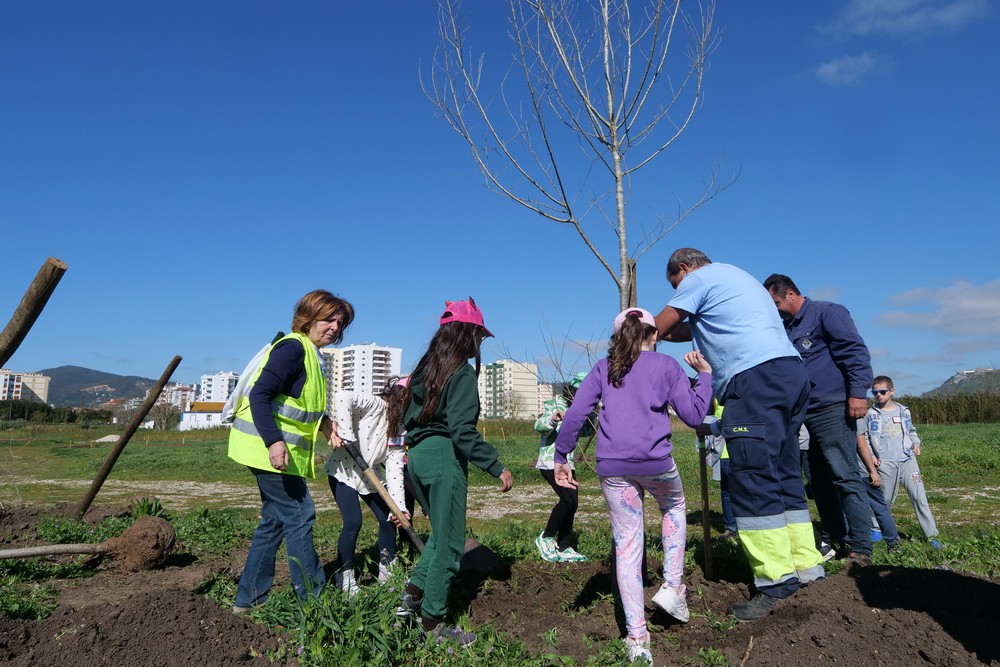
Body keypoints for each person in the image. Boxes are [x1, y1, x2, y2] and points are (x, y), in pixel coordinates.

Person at [653, 248, 824, 622]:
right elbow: (686, 328)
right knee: (783, 474)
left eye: (675, 284)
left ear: (683, 269)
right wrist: (670, 333)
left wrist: (641, 331)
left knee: (752, 479)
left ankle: (776, 582)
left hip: (754, 379)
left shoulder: (697, 279)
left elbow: (664, 323)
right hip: (790, 375)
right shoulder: (738, 279)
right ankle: (807, 570)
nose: (679, 290)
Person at [554, 307, 713, 663]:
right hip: (656, 463)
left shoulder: (603, 368)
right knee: (673, 507)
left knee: (626, 546)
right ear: (653, 335)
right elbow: (693, 415)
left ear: (617, 337)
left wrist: (562, 456)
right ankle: (672, 587)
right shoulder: (667, 366)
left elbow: (577, 411)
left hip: (613, 467)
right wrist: (704, 376)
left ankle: (637, 641)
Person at [395, 297, 515, 646]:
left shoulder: (425, 371)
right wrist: (496, 466)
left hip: (416, 457)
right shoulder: (460, 373)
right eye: (479, 336)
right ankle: (433, 626)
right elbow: (462, 432)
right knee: (450, 545)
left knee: (441, 533)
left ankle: (414, 593)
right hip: (443, 457)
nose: (480, 343)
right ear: (467, 334)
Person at [228, 289, 354, 612]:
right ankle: (314, 604)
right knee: (301, 514)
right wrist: (274, 441)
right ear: (308, 317)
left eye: (340, 323)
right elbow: (260, 395)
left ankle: (249, 599)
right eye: (329, 319)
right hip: (265, 450)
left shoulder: (311, 354)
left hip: (272, 453)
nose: (335, 327)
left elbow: (295, 403)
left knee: (273, 519)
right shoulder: (293, 349)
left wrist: (325, 423)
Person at [764, 273, 874, 565]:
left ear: (790, 294)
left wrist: (858, 393)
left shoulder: (827, 312)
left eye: (775, 301)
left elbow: (854, 352)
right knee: (819, 480)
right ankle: (837, 538)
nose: (773, 308)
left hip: (832, 406)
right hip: (804, 412)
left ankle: (861, 548)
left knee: (844, 473)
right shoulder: (784, 328)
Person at [325, 377, 409, 595]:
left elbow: (395, 468)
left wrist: (400, 508)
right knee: (353, 522)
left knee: (388, 519)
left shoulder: (400, 429)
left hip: (370, 477)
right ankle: (345, 577)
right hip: (343, 471)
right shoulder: (375, 404)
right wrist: (347, 433)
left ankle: (387, 571)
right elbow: (343, 396)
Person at [857, 376, 943, 549]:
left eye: (882, 392)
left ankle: (932, 536)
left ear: (892, 391)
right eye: (875, 393)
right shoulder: (871, 414)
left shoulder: (904, 411)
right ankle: (876, 529)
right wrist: (873, 456)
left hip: (908, 461)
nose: (878, 395)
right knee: (884, 501)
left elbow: (911, 431)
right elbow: (864, 437)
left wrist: (916, 443)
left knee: (920, 498)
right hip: (885, 464)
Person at [534, 372, 594, 563]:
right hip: (551, 461)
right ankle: (546, 538)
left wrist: (592, 414)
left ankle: (565, 546)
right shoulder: (555, 404)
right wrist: (554, 418)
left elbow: (586, 431)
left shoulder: (583, 408)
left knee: (573, 503)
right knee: (567, 501)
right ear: (572, 390)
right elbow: (539, 426)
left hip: (568, 462)